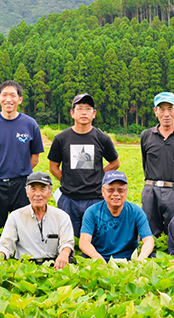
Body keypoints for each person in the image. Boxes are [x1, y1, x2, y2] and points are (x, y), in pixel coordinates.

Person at [0, 80, 44, 245]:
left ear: (20, 99)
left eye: (13, 95)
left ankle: (20, 261)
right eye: (5, 95)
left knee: (23, 229)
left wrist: (19, 170)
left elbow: (35, 157)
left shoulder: (30, 124)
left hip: (21, 185)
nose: (9, 99)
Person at [48, 93, 120, 236]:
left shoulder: (102, 138)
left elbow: (115, 163)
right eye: (79, 108)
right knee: (68, 238)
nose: (84, 112)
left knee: (96, 239)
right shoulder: (61, 139)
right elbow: (53, 167)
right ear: (72, 113)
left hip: (95, 198)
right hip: (69, 199)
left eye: (88, 109)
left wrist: (100, 176)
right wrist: (66, 180)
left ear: (94, 114)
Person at [0, 172, 74, 269]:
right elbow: (6, 246)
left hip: (53, 265)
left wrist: (64, 253)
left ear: (50, 192)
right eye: (33, 189)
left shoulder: (62, 217)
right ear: (27, 193)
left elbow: (67, 243)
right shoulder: (15, 216)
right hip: (25, 267)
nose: (37, 194)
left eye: (42, 189)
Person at [141, 92, 174, 237]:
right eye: (161, 109)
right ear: (155, 111)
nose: (166, 114)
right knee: (149, 234)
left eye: (170, 109)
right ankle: (148, 259)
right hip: (151, 191)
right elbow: (145, 164)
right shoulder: (146, 135)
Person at [80, 170, 154, 261]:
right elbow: (84, 242)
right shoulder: (92, 212)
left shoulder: (136, 212)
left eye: (121, 190)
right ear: (103, 191)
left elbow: (148, 240)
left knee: (152, 257)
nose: (116, 194)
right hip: (100, 258)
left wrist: (141, 258)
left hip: (128, 260)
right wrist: (99, 260)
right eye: (110, 190)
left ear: (126, 191)